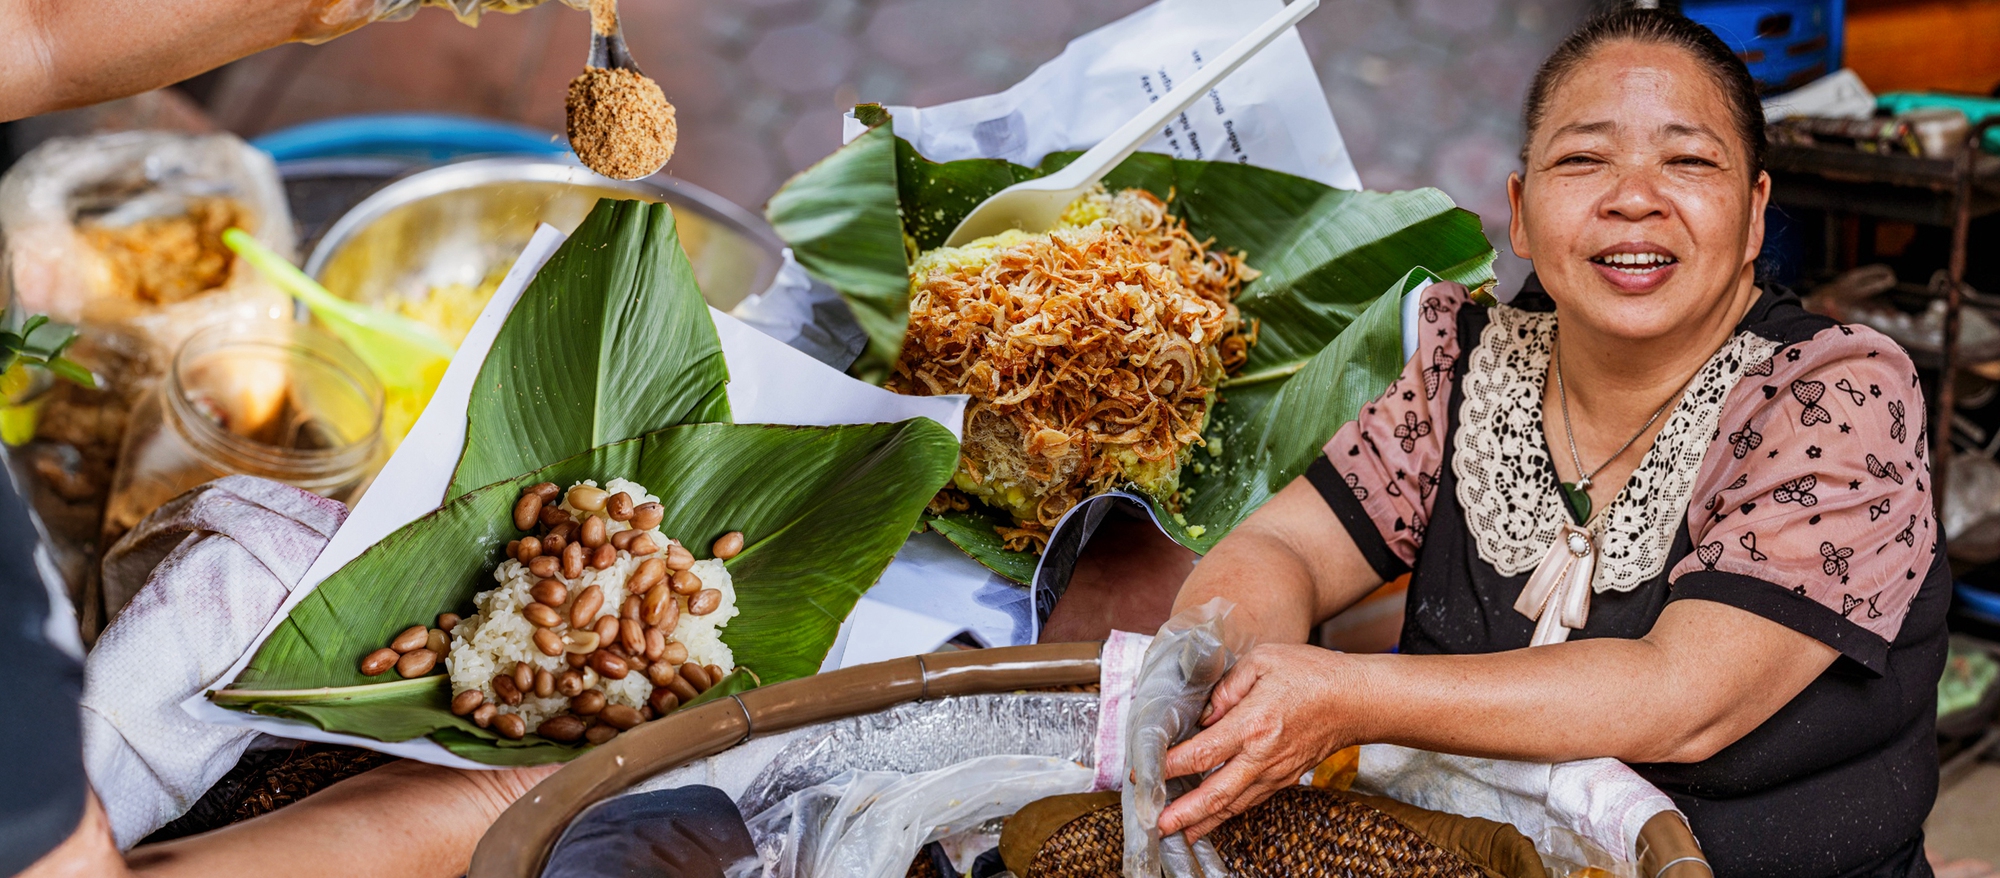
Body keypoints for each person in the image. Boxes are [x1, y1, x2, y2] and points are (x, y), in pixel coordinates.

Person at [1158, 10, 1947, 878]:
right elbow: (1287, 546)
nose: (1633, 197)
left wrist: (1346, 697)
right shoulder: (1460, 361)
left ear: (1755, 213)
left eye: (1687, 160)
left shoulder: (1835, 398)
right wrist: (1217, 675)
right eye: (1582, 159)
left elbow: (1681, 696)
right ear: (1521, 211)